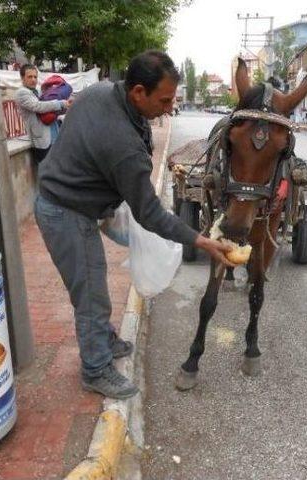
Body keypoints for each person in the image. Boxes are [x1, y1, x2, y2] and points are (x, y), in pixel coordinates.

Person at [34, 51, 234, 399]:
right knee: (92, 294)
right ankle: (95, 369)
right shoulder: (123, 145)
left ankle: (103, 339)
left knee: (94, 282)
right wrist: (201, 241)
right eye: (165, 100)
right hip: (66, 211)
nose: (170, 107)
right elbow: (150, 214)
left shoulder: (102, 92)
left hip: (71, 196)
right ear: (138, 92)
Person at [14, 64, 71, 166]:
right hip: (42, 140)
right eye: (29, 77)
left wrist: (66, 105)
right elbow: (38, 106)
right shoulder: (22, 93)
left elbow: (50, 108)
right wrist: (60, 103)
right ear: (22, 78)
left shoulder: (38, 91)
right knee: (47, 173)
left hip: (54, 136)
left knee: (58, 171)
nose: (33, 80)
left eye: (35, 77)